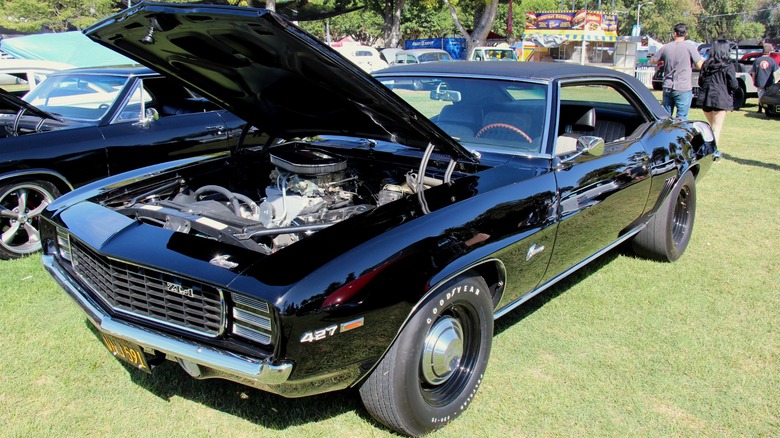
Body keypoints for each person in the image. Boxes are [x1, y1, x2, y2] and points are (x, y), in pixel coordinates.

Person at [651, 23, 704, 119]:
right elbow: (699, 65)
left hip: (668, 85)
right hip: (683, 86)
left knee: (665, 117)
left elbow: (653, 61)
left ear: (674, 33)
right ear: (685, 34)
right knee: (682, 117)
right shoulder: (690, 48)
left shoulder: (666, 47)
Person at [696, 40, 739, 145]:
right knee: (716, 129)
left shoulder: (706, 64)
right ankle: (713, 153)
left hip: (705, 98)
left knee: (711, 127)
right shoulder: (728, 65)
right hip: (721, 98)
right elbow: (733, 84)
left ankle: (708, 149)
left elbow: (700, 81)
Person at [750, 43, 779, 113]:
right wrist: (776, 81)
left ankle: (760, 109)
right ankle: (767, 110)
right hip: (769, 82)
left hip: (759, 81)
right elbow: (776, 72)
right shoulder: (772, 61)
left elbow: (753, 72)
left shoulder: (757, 60)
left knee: (760, 95)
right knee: (768, 96)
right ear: (769, 52)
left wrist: (753, 81)